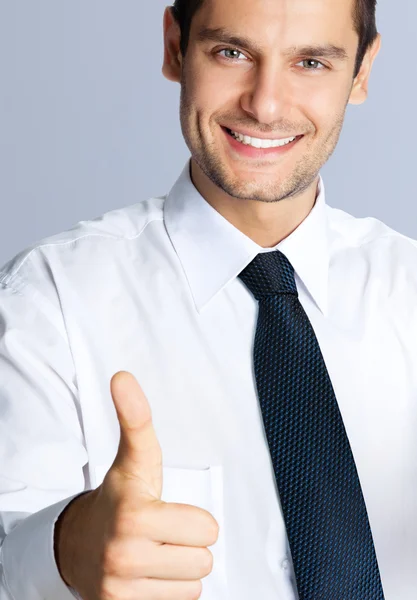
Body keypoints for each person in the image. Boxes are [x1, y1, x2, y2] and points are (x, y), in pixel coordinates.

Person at [1, 0, 415, 598]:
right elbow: (11, 550)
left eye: (312, 62)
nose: (265, 104)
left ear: (363, 71)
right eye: (232, 52)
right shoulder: (48, 304)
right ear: (175, 47)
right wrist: (61, 555)